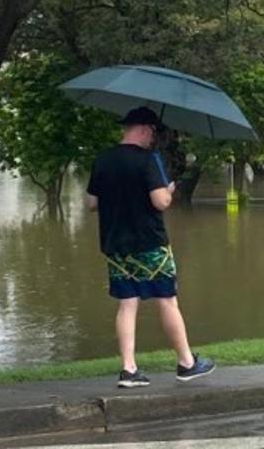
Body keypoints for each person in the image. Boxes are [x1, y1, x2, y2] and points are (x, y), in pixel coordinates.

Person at [86, 106, 215, 388]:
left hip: (115, 245)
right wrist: (168, 190)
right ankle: (186, 363)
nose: (153, 139)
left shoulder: (103, 160)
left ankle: (128, 370)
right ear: (145, 129)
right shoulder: (149, 159)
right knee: (167, 300)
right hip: (150, 244)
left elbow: (92, 203)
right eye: (153, 133)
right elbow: (160, 202)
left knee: (127, 304)